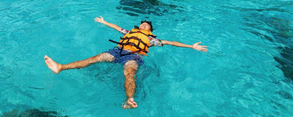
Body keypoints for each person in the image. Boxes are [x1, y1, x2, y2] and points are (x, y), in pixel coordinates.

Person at [44, 16, 208, 109]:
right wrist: (104, 22)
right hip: (117, 52)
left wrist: (191, 46)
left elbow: (171, 42)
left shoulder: (152, 40)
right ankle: (60, 67)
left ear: (150, 31)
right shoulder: (129, 32)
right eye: (143, 23)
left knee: (129, 74)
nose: (144, 24)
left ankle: (129, 99)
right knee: (92, 59)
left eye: (147, 25)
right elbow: (117, 28)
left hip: (133, 57)